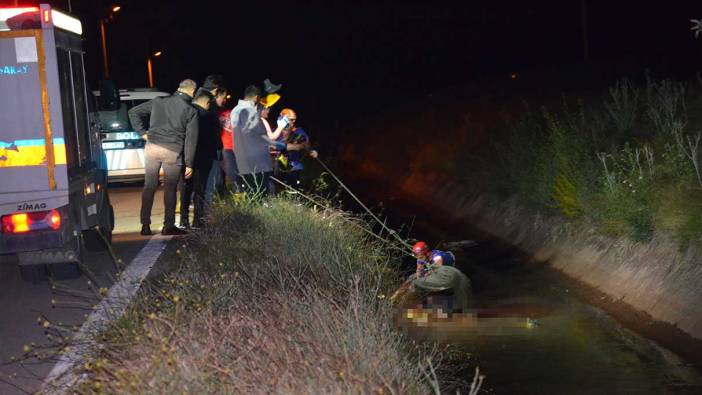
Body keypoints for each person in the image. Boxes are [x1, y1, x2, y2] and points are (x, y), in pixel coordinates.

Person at [129, 79, 199, 236]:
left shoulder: (158, 101)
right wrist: (189, 163)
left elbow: (133, 112)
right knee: (170, 188)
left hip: (152, 148)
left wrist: (142, 133)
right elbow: (190, 139)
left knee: (149, 186)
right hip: (172, 150)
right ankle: (168, 226)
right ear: (192, 91)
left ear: (178, 88)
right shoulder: (190, 110)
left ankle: (145, 225)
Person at [229, 85, 280, 195]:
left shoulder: (235, 110)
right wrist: (281, 145)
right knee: (259, 195)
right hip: (257, 162)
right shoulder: (249, 111)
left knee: (249, 194)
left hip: (242, 161)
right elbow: (260, 135)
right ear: (256, 97)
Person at [179, 90, 214, 229]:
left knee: (186, 189)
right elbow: (211, 139)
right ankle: (198, 220)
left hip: (185, 157)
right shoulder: (206, 116)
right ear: (206, 102)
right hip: (202, 158)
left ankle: (183, 219)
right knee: (200, 190)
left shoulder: (184, 112)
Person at [269, 108, 318, 188]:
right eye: (289, 120)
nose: (292, 122)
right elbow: (271, 145)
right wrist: (290, 146)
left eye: (293, 120)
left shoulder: (298, 131)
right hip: (277, 167)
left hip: (294, 166)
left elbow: (305, 143)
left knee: (294, 185)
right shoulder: (274, 132)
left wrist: (311, 150)